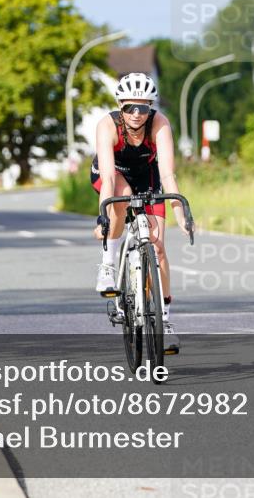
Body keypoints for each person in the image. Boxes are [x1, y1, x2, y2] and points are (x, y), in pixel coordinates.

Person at [91, 72, 189, 346]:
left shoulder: (159, 124)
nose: (136, 114)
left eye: (143, 108)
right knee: (121, 196)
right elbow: (108, 179)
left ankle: (164, 322)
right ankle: (108, 265)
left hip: (148, 176)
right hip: (113, 174)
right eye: (130, 108)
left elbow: (167, 174)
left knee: (158, 247)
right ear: (120, 106)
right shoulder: (107, 125)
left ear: (150, 108)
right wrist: (103, 218)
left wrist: (181, 215)